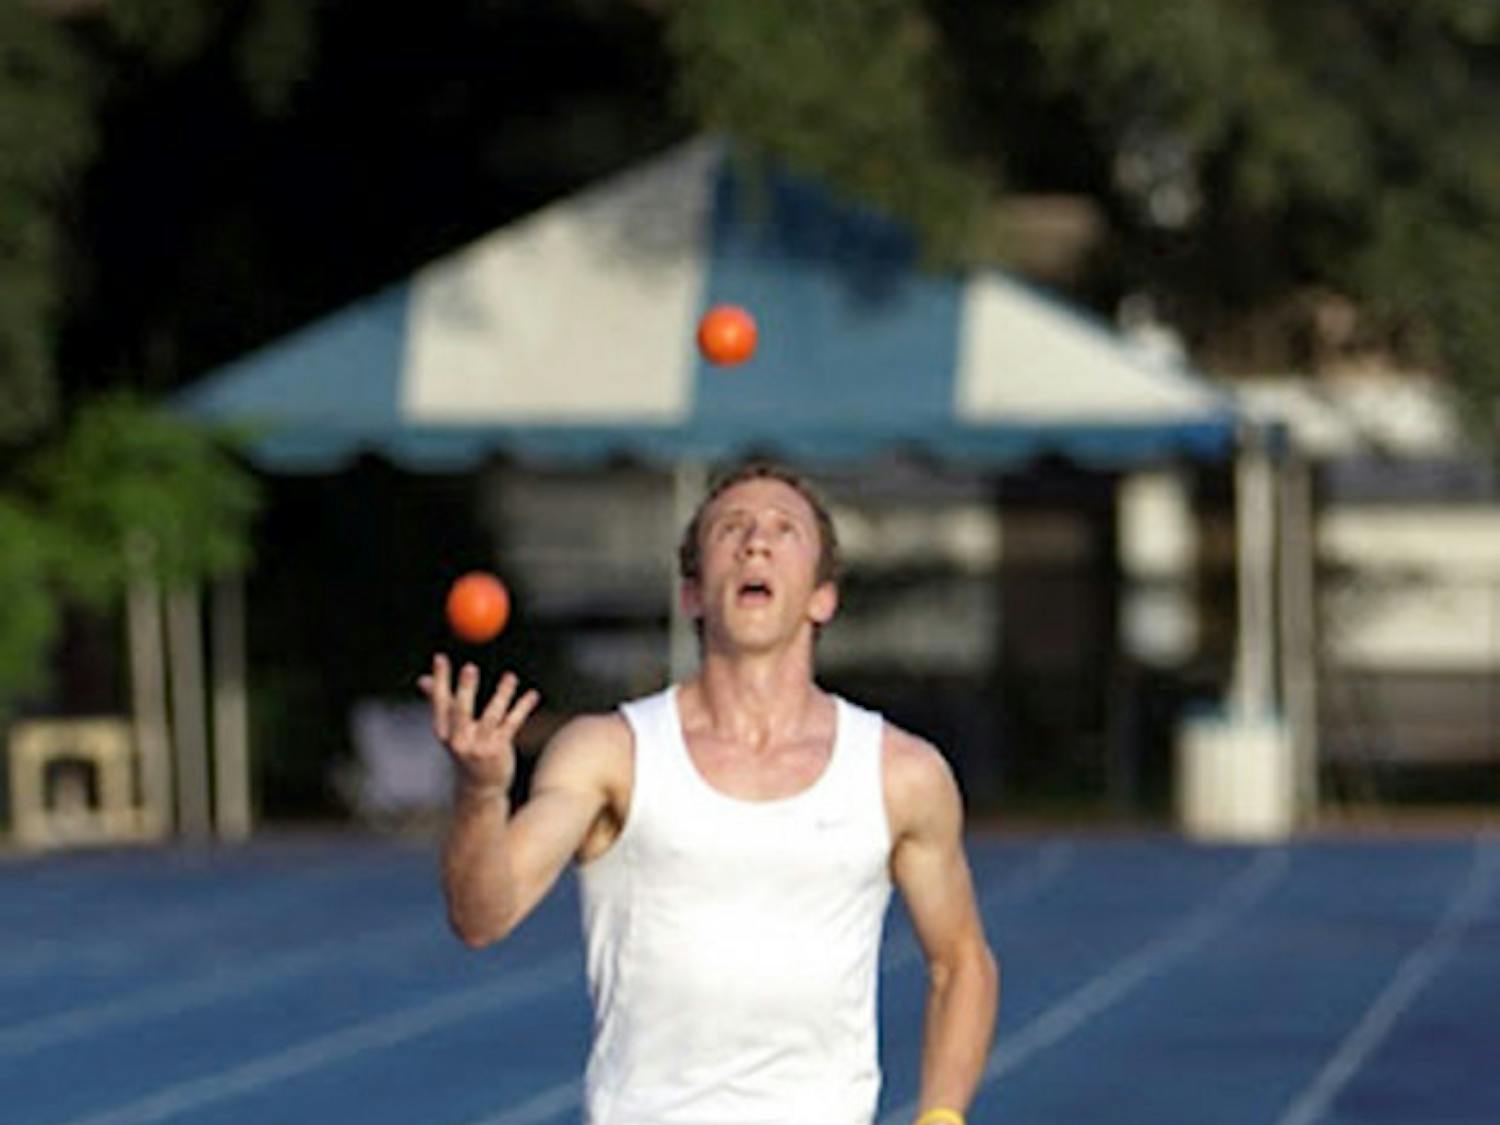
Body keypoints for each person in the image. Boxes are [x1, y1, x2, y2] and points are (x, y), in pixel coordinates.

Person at [419, 460, 999, 1125]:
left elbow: (961, 963)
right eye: (733, 528)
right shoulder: (612, 752)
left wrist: (941, 1116)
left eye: (784, 530)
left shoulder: (900, 772)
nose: (756, 541)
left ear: (821, 595)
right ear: (693, 593)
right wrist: (480, 792)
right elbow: (481, 914)